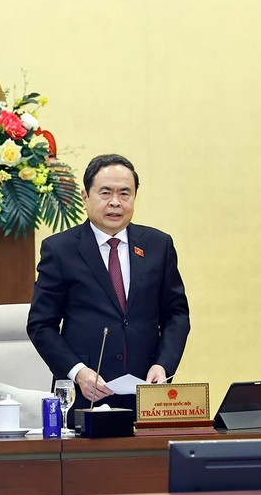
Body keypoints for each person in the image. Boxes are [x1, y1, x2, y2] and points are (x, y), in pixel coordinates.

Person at [27, 154, 191, 419]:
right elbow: (40, 324)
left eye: (125, 193)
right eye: (105, 192)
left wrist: (164, 364)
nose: (115, 202)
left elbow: (176, 315)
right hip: (87, 394)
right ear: (85, 196)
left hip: (147, 393)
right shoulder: (60, 249)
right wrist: (78, 372)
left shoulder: (158, 245)